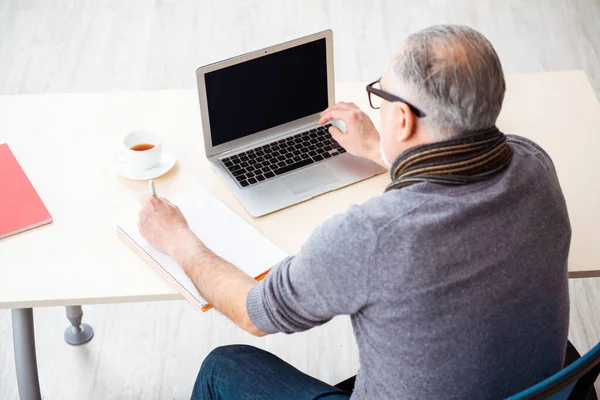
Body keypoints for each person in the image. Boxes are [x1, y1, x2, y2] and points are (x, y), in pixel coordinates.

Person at [137, 24, 571, 399]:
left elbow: (253, 313)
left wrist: (179, 240)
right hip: (537, 393)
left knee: (223, 367)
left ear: (403, 120)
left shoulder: (374, 236)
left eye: (380, 97)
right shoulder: (536, 166)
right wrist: (375, 148)